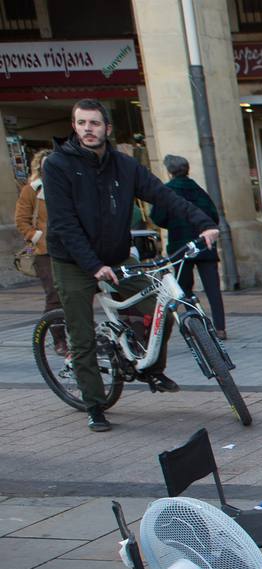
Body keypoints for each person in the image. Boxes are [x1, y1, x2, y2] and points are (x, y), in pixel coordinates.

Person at [44, 98, 219, 433]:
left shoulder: (124, 166)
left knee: (163, 307)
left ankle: (150, 367)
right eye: (81, 123)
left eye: (94, 123)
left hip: (116, 256)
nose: (88, 129)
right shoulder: (58, 165)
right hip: (74, 261)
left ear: (107, 128)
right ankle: (95, 404)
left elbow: (164, 196)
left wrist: (204, 223)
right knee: (81, 336)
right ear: (74, 126)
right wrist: (93, 266)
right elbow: (64, 223)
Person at [151, 155, 227, 338]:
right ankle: (220, 327)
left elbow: (158, 217)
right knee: (213, 289)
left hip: (180, 245)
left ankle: (195, 323)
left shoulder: (167, 191)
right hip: (204, 245)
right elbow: (213, 216)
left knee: (184, 288)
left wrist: (172, 223)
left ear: (169, 171)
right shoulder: (199, 190)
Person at [15, 148, 63, 354]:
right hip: (44, 252)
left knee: (75, 294)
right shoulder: (31, 190)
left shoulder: (66, 186)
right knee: (54, 295)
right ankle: (60, 340)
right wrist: (37, 237)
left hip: (70, 249)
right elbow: (21, 220)